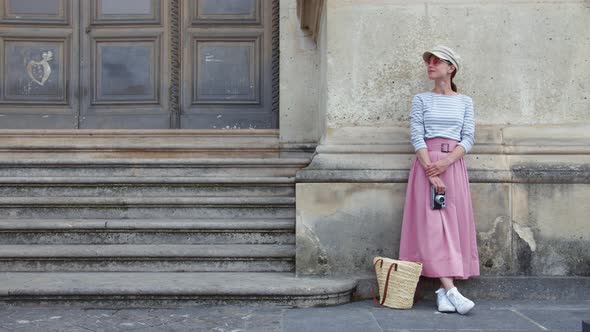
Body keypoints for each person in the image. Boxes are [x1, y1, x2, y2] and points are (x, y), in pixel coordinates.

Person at [398, 46, 479, 315]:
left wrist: (445, 164)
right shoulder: (421, 99)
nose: (430, 65)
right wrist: (432, 172)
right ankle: (452, 291)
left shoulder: (465, 101)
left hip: (453, 167)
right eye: (428, 62)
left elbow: (467, 138)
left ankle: (444, 294)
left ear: (451, 67)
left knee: (452, 227)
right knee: (434, 227)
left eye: (436, 61)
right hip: (427, 167)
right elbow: (416, 136)